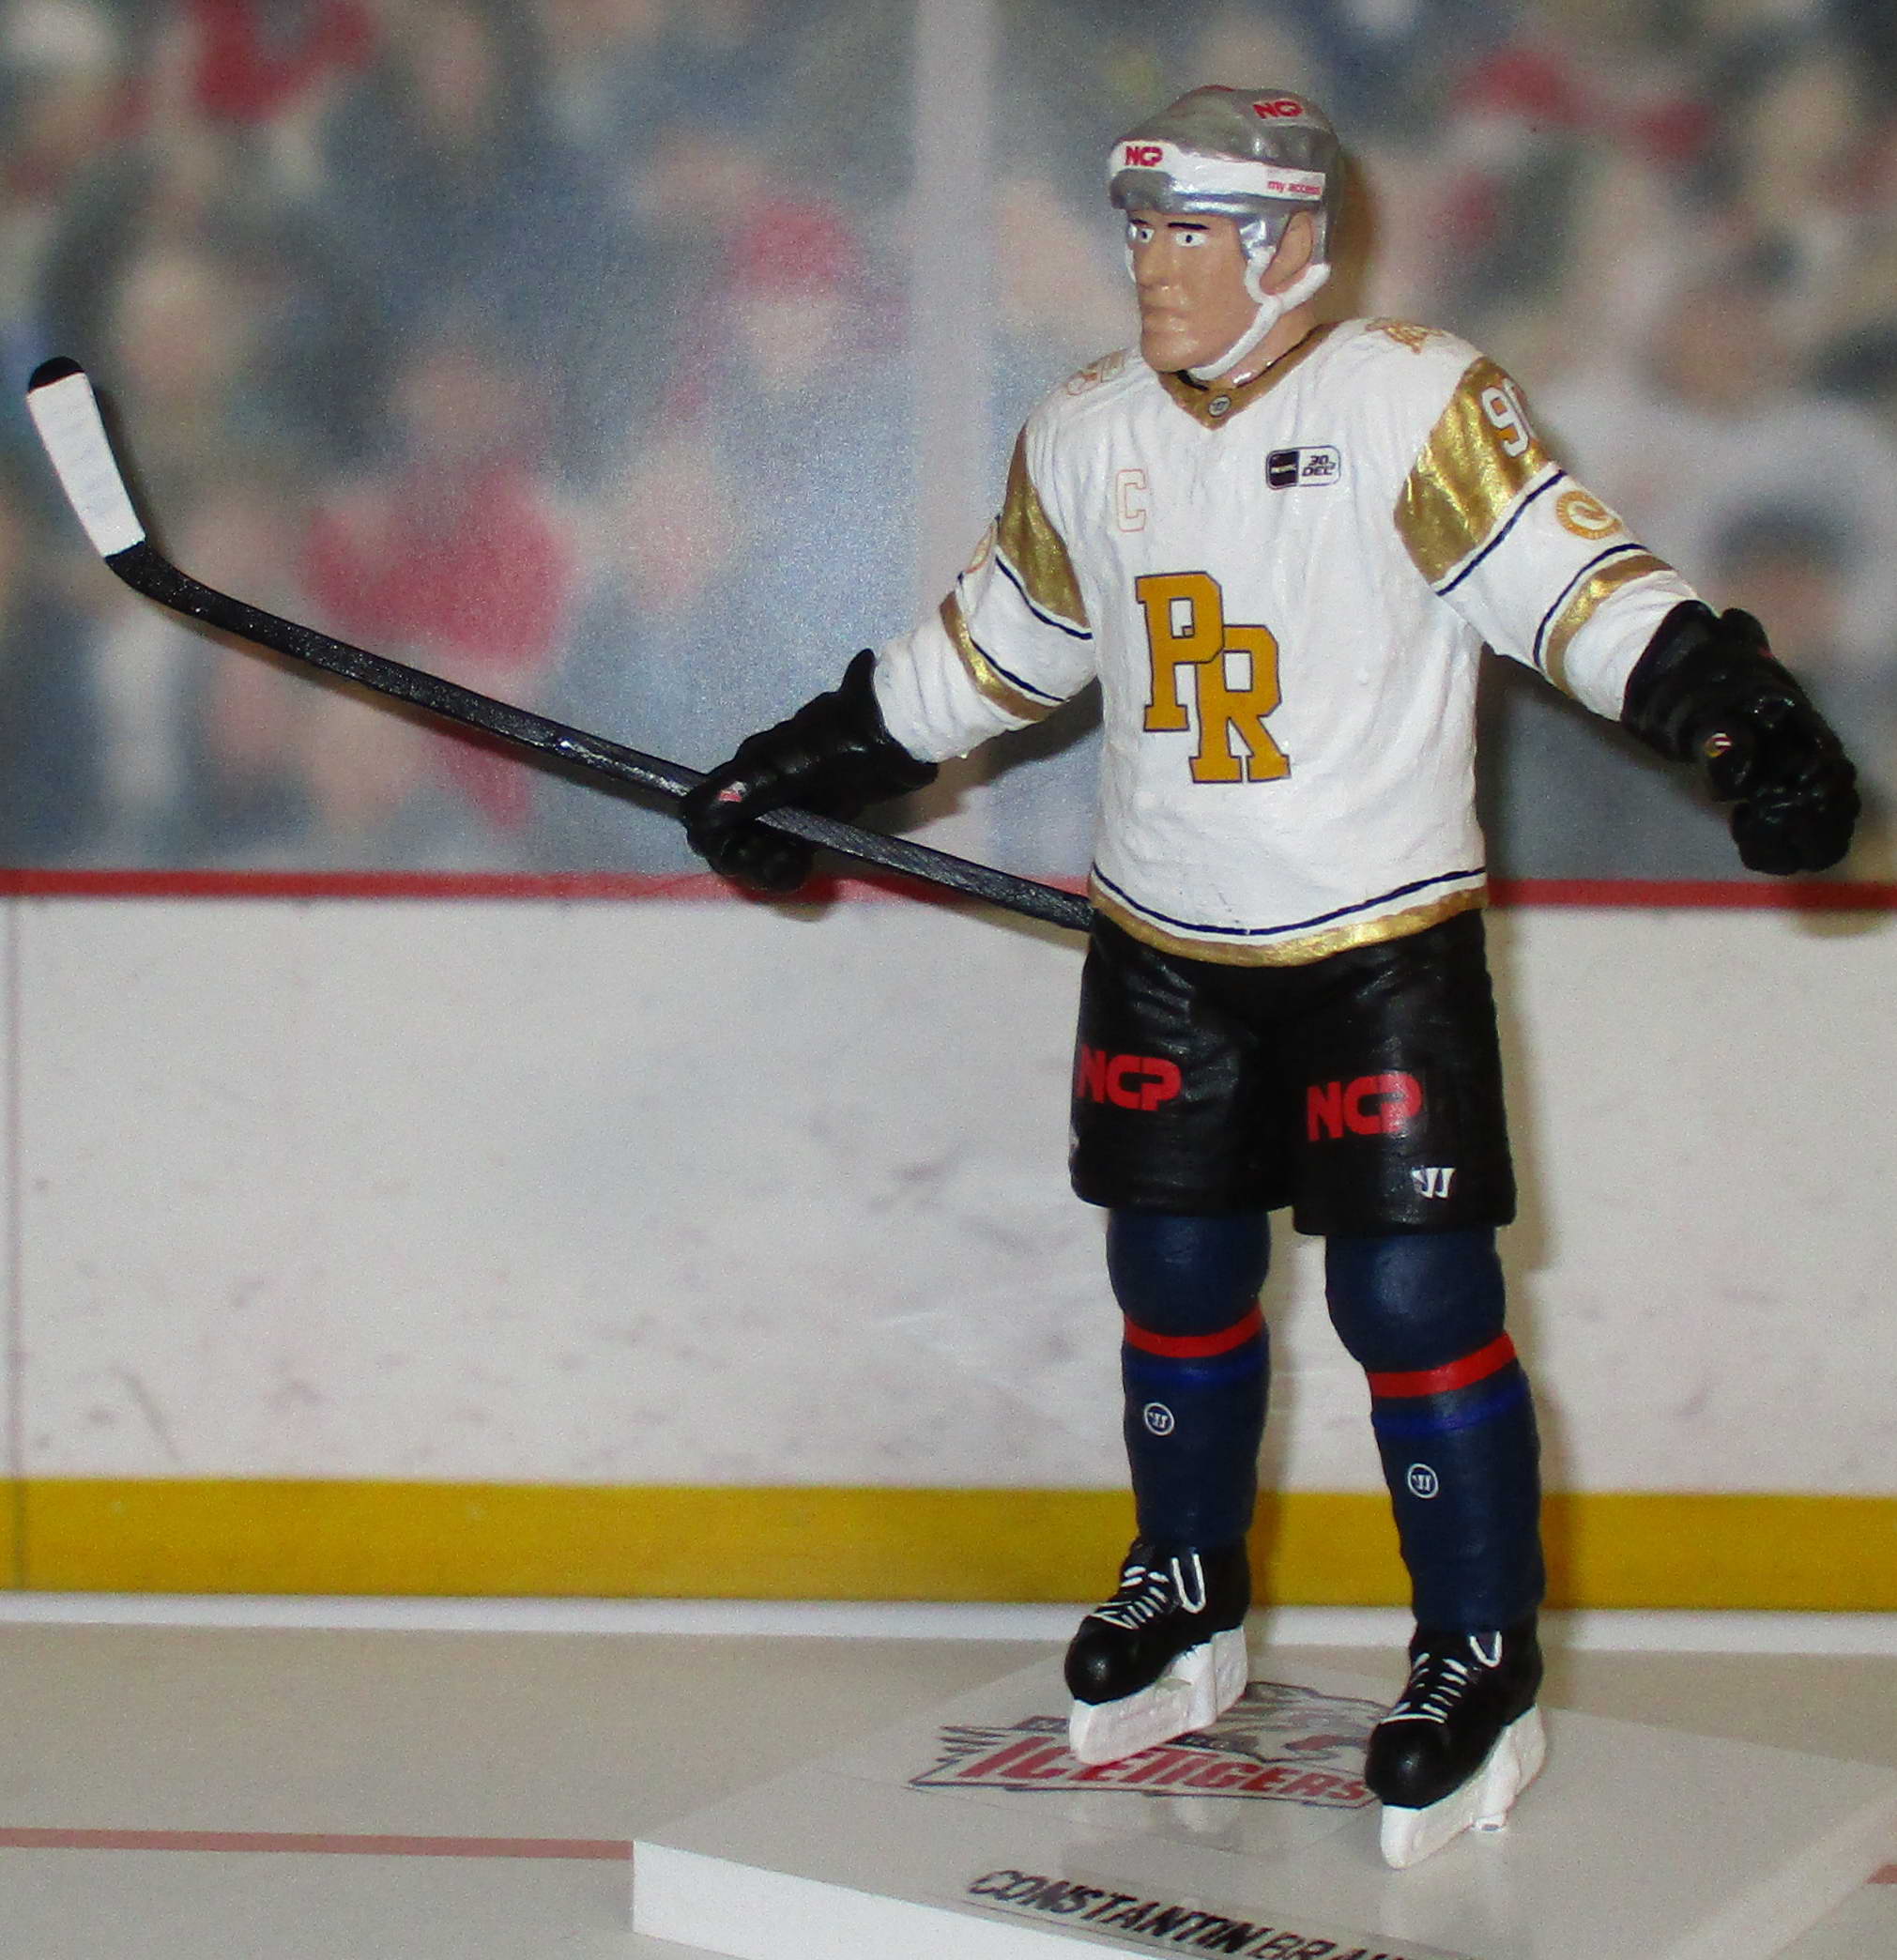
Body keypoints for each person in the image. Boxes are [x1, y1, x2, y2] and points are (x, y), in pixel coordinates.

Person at [680, 85, 1859, 1870]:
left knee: (1414, 1301)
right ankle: (1185, 1582)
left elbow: (1569, 589)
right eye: (1143, 231)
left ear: (1292, 242)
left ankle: (1476, 1650)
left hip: (1376, 945)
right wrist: (809, 765)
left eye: (1195, 234)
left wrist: (1732, 710)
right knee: (1169, 1276)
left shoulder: (1405, 398)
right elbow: (993, 648)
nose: (1156, 266)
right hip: (1165, 943)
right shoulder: (1088, 427)